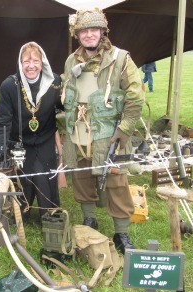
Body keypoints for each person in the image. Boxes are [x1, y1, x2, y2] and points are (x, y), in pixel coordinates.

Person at [62, 8, 145, 254]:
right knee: (82, 176)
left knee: (116, 181)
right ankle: (89, 220)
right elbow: (68, 93)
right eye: (83, 31)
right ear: (78, 35)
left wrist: (125, 128)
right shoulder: (71, 61)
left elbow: (135, 97)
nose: (88, 35)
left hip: (109, 130)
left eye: (93, 30)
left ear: (102, 31)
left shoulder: (120, 58)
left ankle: (121, 233)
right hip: (79, 130)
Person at [0, 42, 63, 221]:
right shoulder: (9, 85)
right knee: (23, 176)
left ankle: (48, 213)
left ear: (43, 62)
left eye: (35, 61)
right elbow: (2, 122)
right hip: (19, 142)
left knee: (44, 175)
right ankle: (21, 213)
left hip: (45, 138)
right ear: (20, 63)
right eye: (26, 61)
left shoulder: (54, 82)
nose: (31, 66)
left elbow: (64, 105)